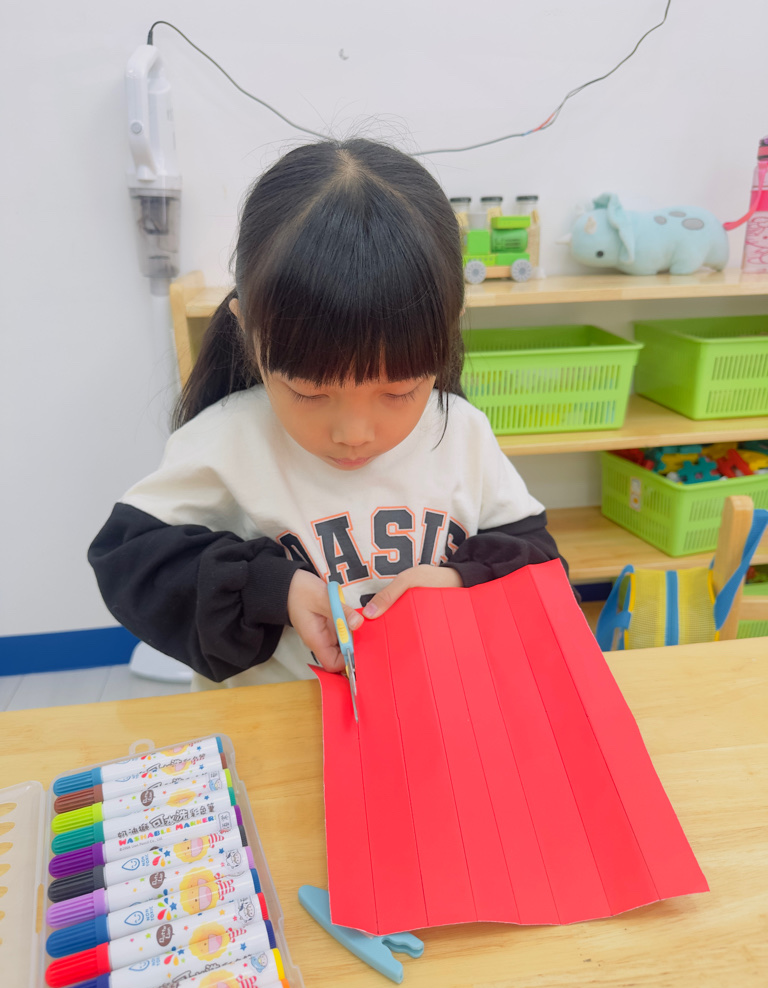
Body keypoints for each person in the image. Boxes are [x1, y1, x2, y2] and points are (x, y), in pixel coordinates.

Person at [89, 138, 568, 689]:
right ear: (249, 333)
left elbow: (541, 566)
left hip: (430, 710)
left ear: (447, 329)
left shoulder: (461, 432)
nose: (354, 434)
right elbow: (129, 562)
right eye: (310, 393)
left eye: (399, 392)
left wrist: (462, 582)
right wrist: (272, 588)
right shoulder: (227, 440)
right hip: (277, 723)